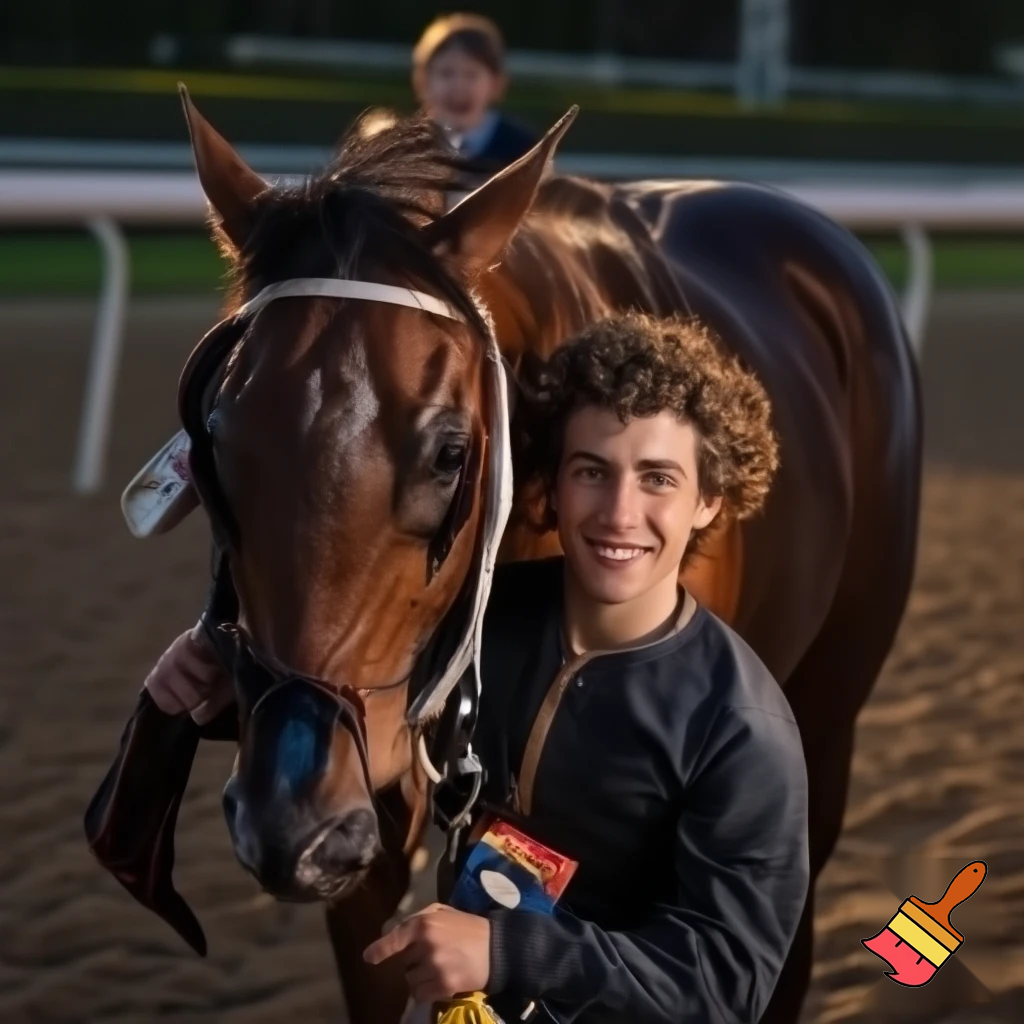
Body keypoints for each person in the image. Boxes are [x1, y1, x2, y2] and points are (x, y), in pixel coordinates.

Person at [363, 312, 811, 1023]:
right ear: (551, 487)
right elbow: (349, 697)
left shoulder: (741, 728)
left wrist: (510, 953)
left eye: (657, 478)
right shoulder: (477, 620)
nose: (620, 513)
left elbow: (728, 986)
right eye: (592, 472)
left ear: (708, 502)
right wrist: (213, 677)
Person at [411, 13, 539, 175]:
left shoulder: (523, 148)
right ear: (423, 80)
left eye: (471, 74)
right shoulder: (407, 147)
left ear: (495, 83)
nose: (458, 85)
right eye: (446, 73)